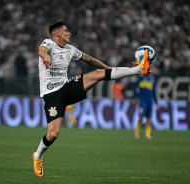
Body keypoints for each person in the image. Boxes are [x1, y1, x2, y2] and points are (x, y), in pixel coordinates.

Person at [32, 21, 150, 177]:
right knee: (53, 134)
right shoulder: (48, 44)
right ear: (57, 34)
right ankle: (38, 156)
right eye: (66, 31)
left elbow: (89, 59)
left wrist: (106, 68)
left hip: (67, 87)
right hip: (52, 94)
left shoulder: (70, 50)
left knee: (98, 73)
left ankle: (139, 69)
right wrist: (46, 56)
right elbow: (41, 50)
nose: (70, 33)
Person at [131, 68, 160, 140]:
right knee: (141, 116)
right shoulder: (141, 77)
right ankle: (137, 131)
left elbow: (154, 92)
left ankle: (147, 134)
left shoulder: (153, 80)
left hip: (149, 101)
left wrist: (156, 103)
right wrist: (133, 98)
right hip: (142, 100)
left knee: (148, 117)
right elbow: (135, 87)